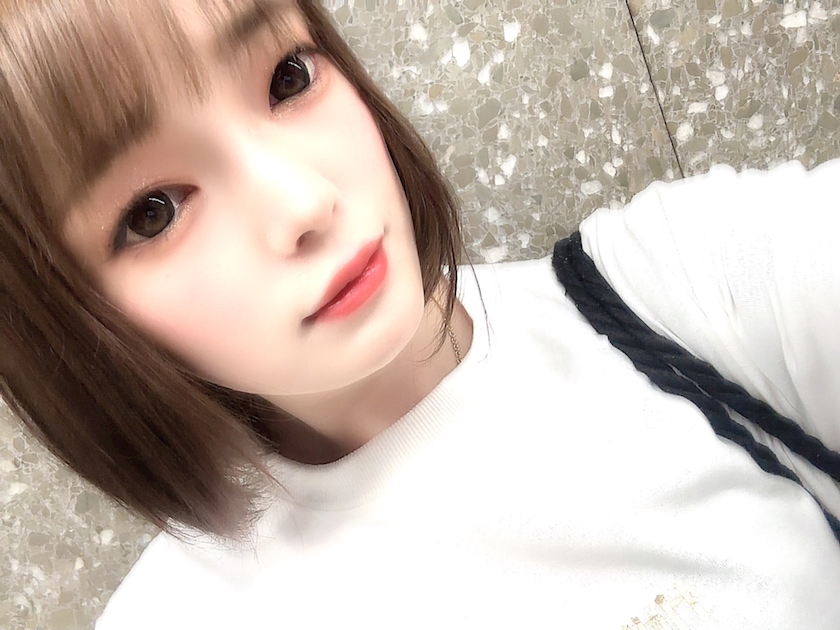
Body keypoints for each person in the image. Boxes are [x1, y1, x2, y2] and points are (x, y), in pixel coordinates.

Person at [1, 0, 838, 628]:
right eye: (153, 212)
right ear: (69, 325)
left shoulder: (667, 289)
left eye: (288, 77)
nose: (305, 201)